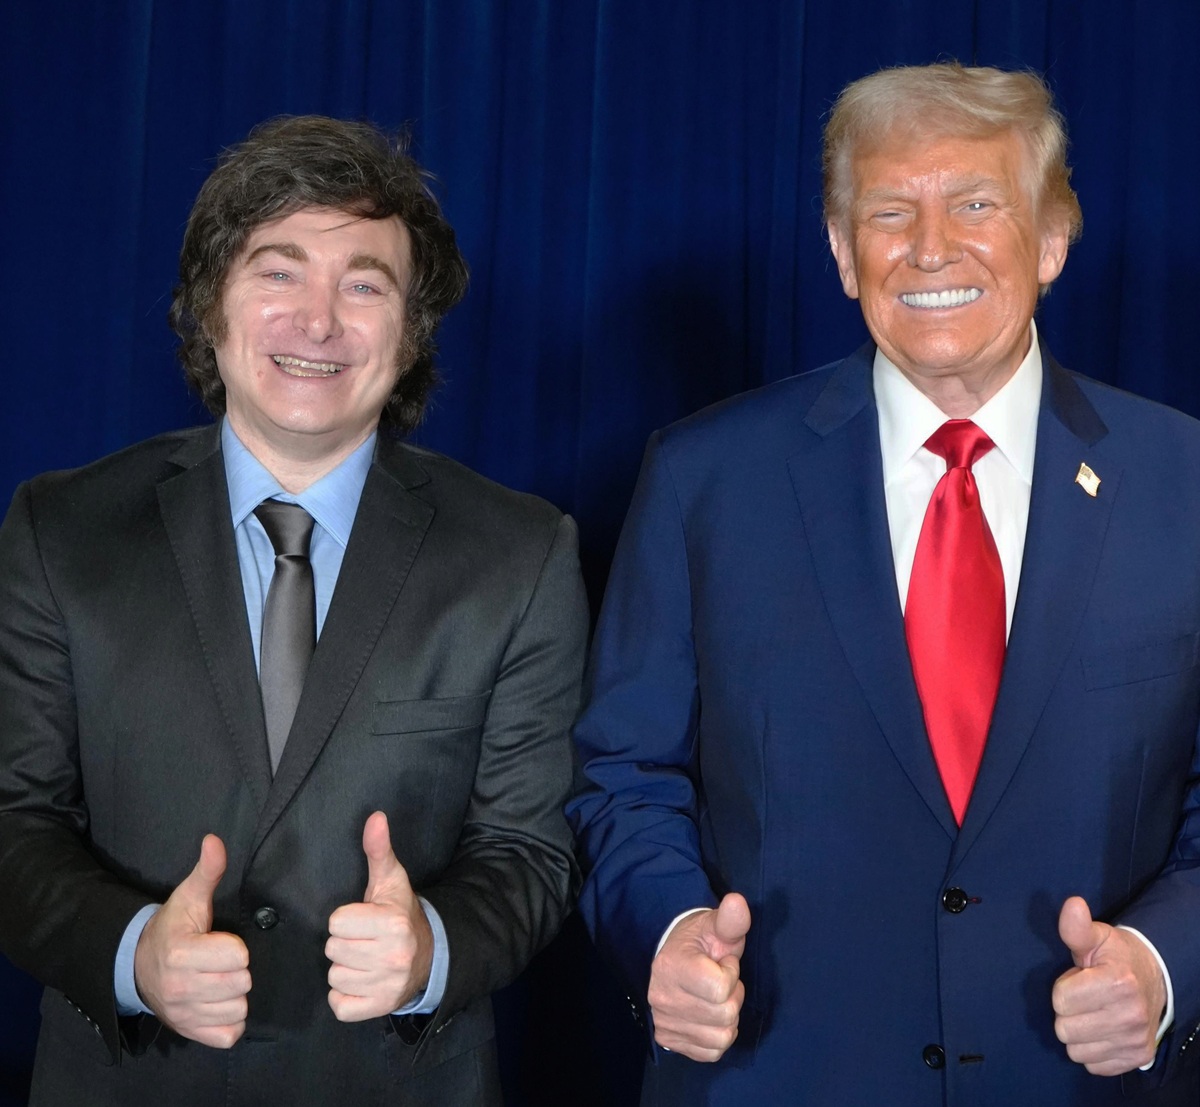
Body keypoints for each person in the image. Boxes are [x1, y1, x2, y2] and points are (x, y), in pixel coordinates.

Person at [567, 62, 1200, 1105]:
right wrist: (669, 932)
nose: (931, 247)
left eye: (977, 205)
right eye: (889, 212)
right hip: (774, 1076)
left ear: (1052, 240)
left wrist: (1165, 960)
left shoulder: (1182, 482)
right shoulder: (703, 478)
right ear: (841, 251)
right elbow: (625, 776)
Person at [0, 115, 588, 1107]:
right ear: (209, 305)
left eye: (364, 285)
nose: (317, 322)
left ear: (411, 334)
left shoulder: (522, 554)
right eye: (278, 272)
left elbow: (532, 853)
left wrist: (432, 949)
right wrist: (134, 953)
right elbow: (14, 819)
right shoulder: (61, 532)